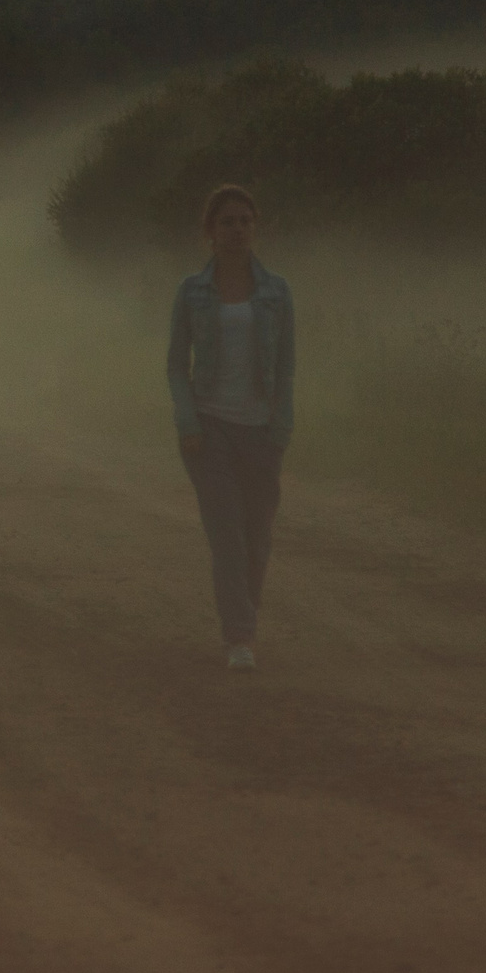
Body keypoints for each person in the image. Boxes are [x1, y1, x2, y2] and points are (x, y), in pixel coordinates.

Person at [165, 183, 294, 672]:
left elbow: (286, 368)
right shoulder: (191, 291)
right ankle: (239, 636)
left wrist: (281, 428)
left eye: (244, 221)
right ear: (209, 232)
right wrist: (187, 420)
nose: (236, 230)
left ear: (254, 227)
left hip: (262, 431)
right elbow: (177, 365)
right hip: (209, 427)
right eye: (226, 222)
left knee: (256, 536)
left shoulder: (277, 292)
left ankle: (245, 619)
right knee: (227, 536)